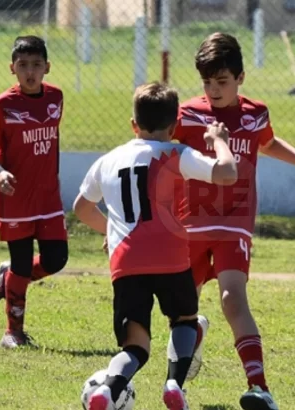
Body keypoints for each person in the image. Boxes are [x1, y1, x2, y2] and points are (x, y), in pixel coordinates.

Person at [169, 32, 295, 410]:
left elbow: (267, 143)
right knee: (183, 307)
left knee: (233, 299)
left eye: (222, 82)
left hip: (234, 222)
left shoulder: (255, 113)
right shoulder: (186, 115)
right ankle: (180, 375)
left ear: (240, 78)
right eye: (207, 82)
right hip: (190, 223)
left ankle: (259, 388)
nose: (214, 90)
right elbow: (161, 156)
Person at [73, 82, 238, 410]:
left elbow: (81, 207)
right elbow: (228, 173)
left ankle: (107, 390)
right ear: (174, 126)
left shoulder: (108, 160)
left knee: (135, 347)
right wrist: (219, 142)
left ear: (134, 124)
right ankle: (174, 383)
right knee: (185, 320)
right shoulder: (176, 154)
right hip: (171, 257)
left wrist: (112, 231)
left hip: (127, 262)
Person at [0, 35, 68, 349]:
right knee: (21, 263)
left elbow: (52, 145)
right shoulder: (4, 104)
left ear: (47, 67)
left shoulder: (56, 97)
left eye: (36, 65)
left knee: (56, 259)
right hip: (15, 198)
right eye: (23, 65)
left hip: (48, 197)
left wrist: (52, 179)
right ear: (12, 69)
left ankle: (9, 279)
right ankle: (12, 332)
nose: (30, 71)